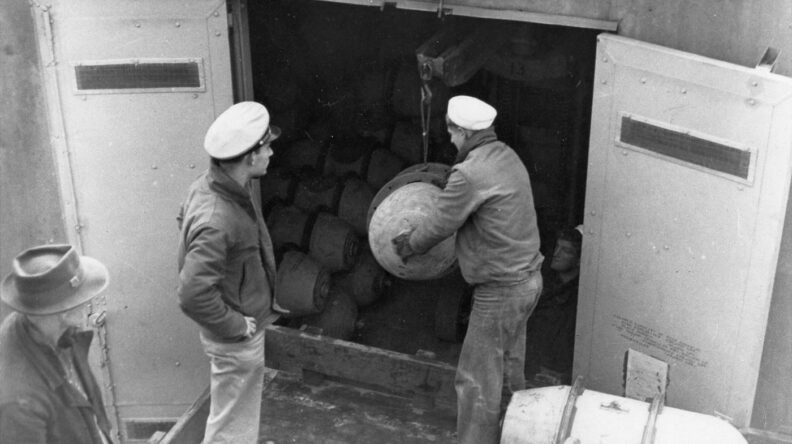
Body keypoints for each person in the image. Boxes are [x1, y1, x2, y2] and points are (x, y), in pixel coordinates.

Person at [392, 95, 544, 444]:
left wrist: (409, 244)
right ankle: (512, 436)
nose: (449, 139)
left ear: (460, 132)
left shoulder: (470, 173)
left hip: (501, 291)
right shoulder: (507, 156)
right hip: (528, 282)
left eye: (451, 132)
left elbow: (440, 222)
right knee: (507, 374)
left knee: (476, 380)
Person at [176, 101, 282, 444]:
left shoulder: (212, 186)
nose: (271, 153)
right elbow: (192, 295)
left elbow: (185, 224)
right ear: (250, 157)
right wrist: (235, 324)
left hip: (238, 330)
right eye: (266, 147)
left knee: (235, 420)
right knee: (231, 431)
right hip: (236, 338)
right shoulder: (217, 218)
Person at [0, 244, 114, 443]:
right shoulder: (19, 400)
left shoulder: (48, 327)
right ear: (66, 312)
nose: (89, 302)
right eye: (84, 297)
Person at [526, 226, 583, 385]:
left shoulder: (578, 298)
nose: (556, 254)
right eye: (557, 247)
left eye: (566, 250)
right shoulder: (543, 284)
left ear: (579, 260)